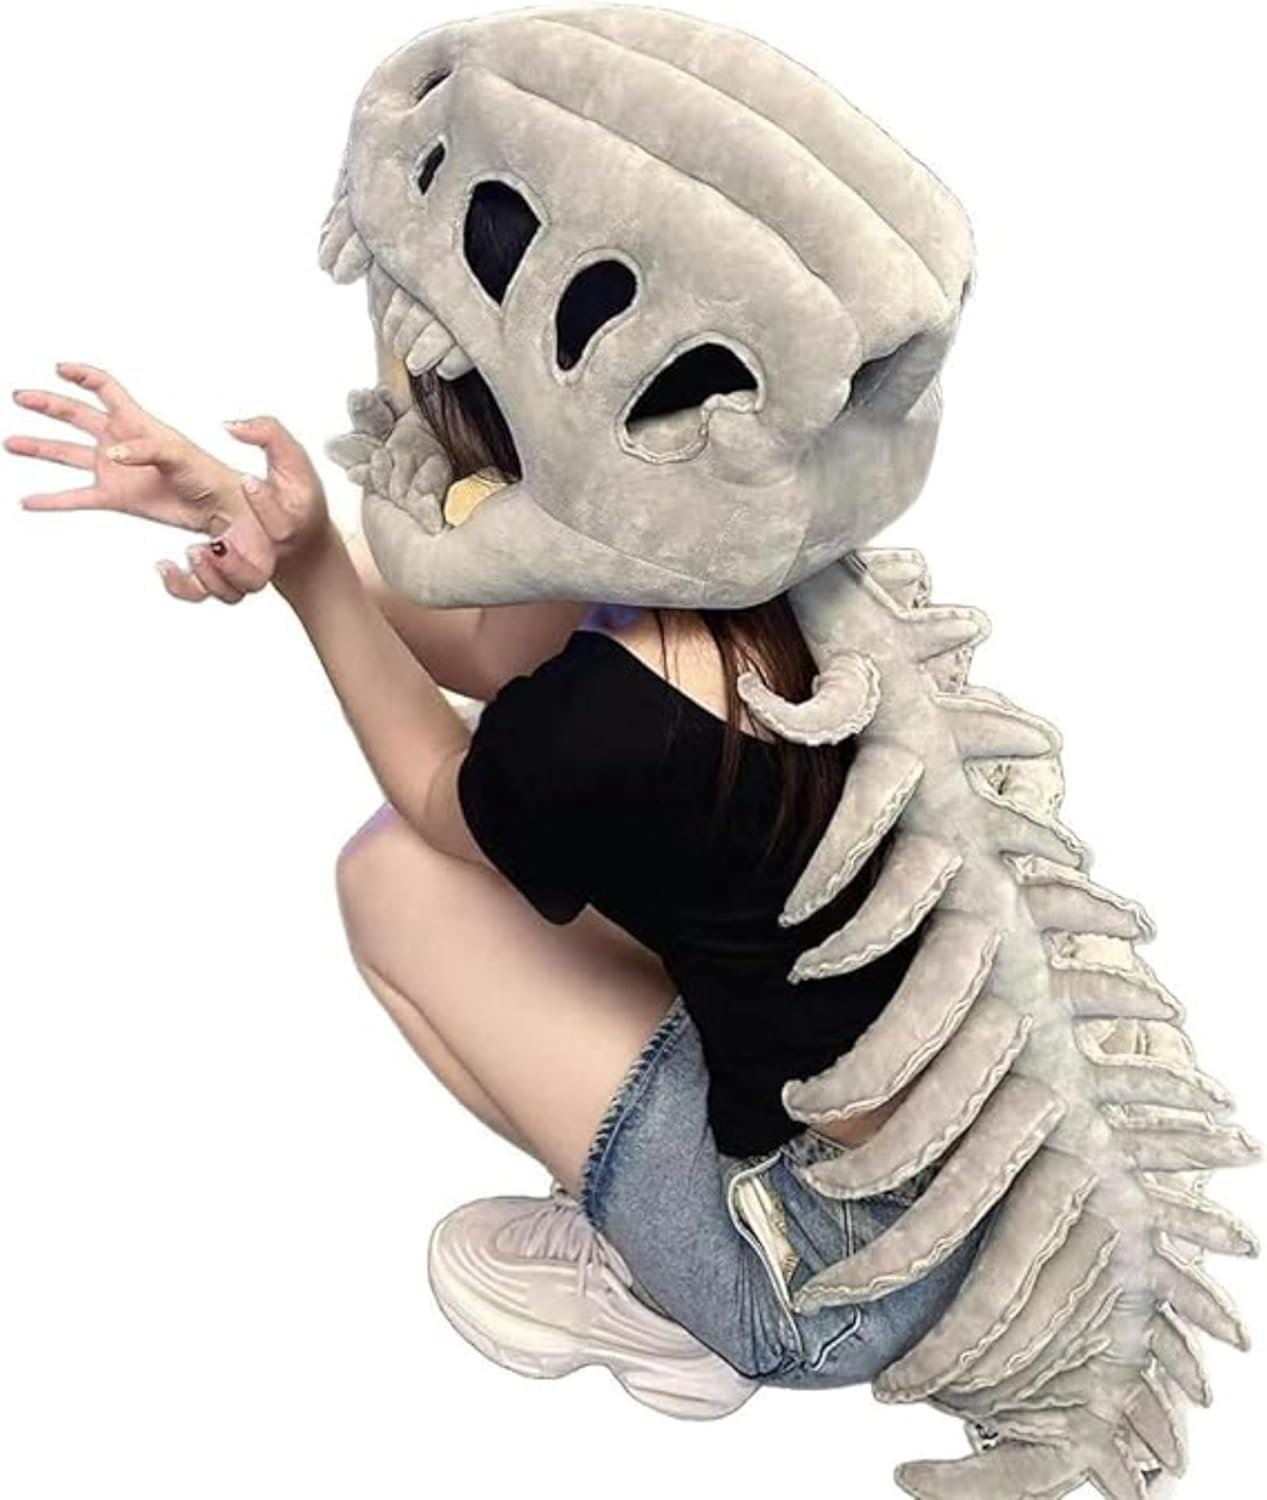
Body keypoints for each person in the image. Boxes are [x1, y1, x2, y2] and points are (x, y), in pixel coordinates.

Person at [6, 174, 992, 1428]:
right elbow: (490, 650)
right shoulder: (752, 544)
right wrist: (263, 523)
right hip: (954, 1173)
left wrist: (310, 578)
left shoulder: (596, 728)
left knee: (391, 881)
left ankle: (674, 1296)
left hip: (819, 1279)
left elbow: (440, 794)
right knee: (591, 849)